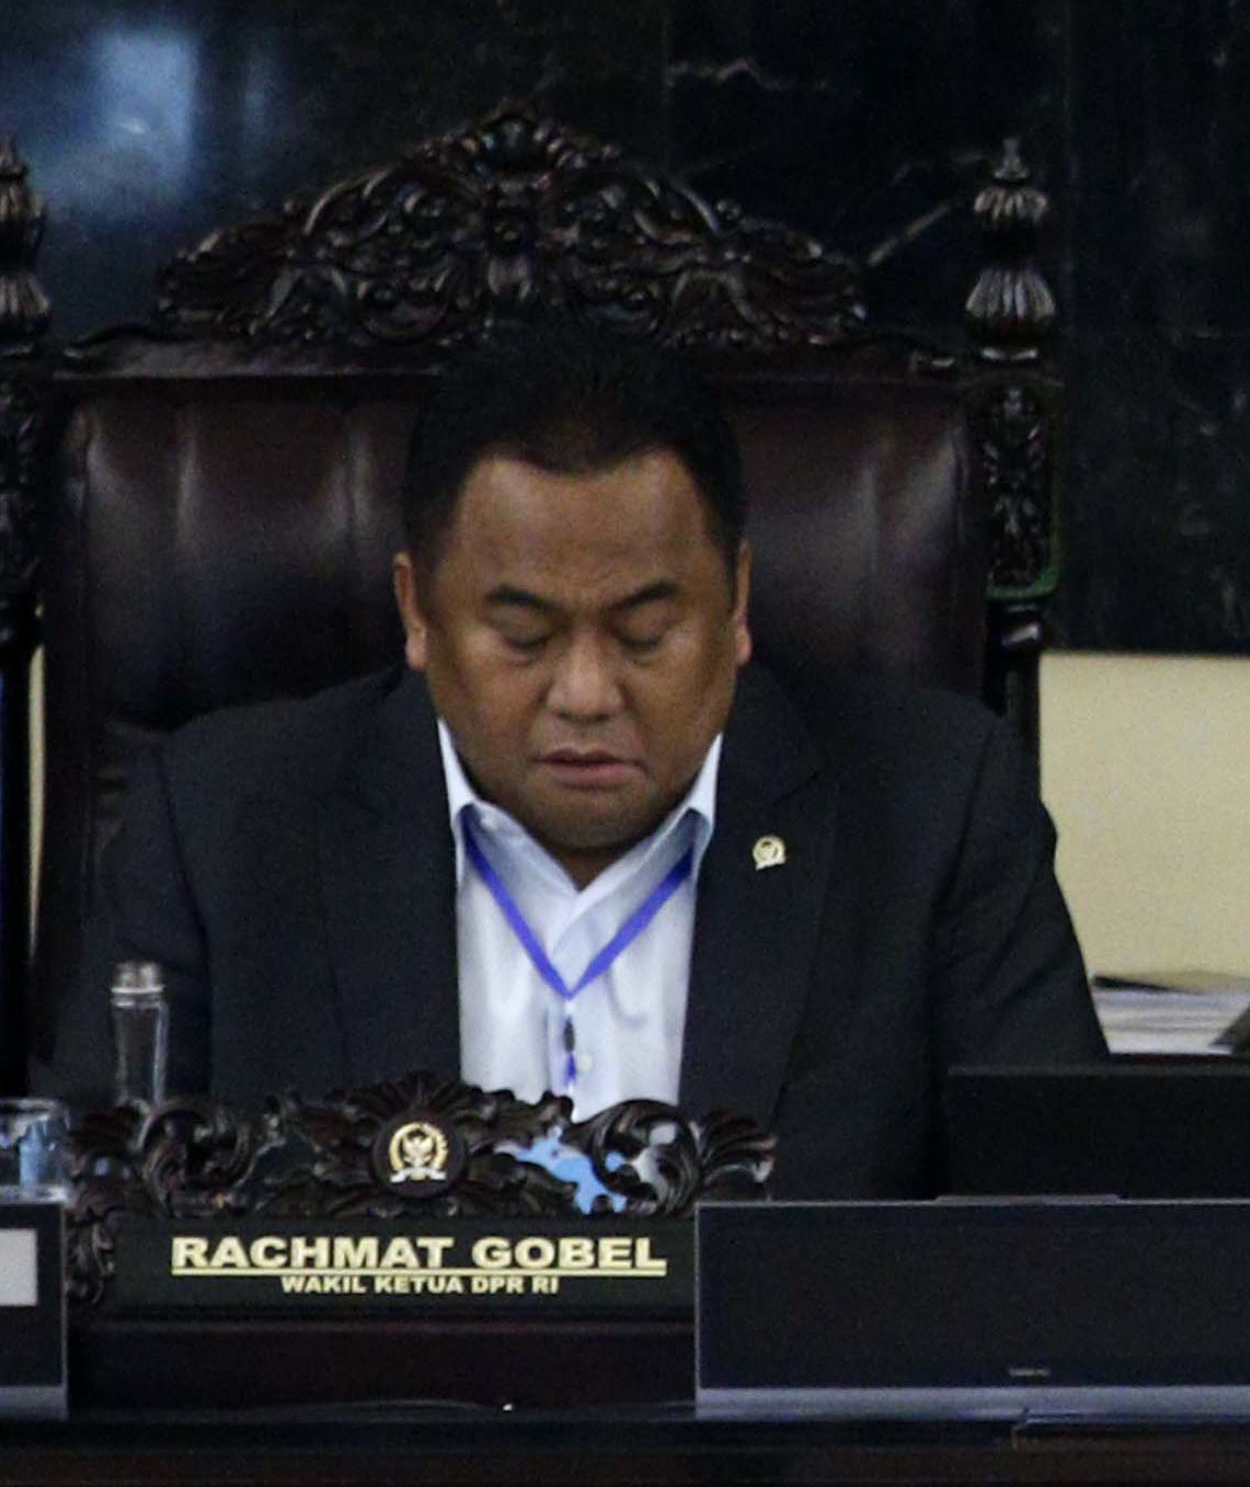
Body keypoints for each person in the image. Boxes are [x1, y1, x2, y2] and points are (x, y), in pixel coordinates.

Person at [86, 320, 1096, 1192]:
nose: (585, 693)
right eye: (523, 637)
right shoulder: (222, 824)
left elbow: (1066, 1229)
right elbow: (66, 1232)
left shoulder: (936, 809)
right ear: (418, 611)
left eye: (646, 634)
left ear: (737, 604)